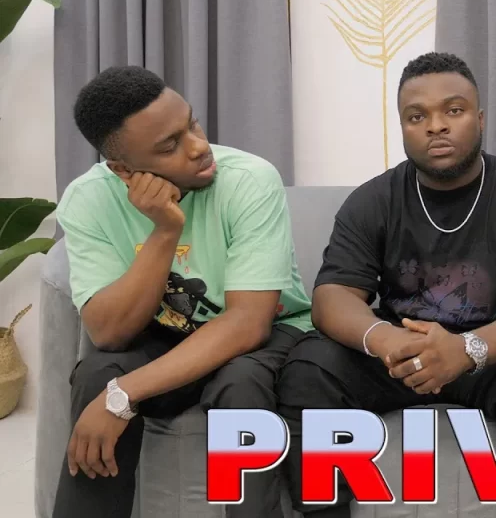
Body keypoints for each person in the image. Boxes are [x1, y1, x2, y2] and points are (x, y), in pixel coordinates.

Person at [276, 52, 496, 518]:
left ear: (479, 119)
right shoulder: (374, 199)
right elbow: (332, 297)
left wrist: (468, 349)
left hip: (493, 353)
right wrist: (386, 339)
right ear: (402, 127)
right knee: (309, 367)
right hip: (399, 355)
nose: (436, 126)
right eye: (417, 117)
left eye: (453, 111)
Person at [51, 65, 313, 518]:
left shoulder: (249, 179)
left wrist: (123, 394)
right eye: (169, 146)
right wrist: (164, 231)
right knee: (97, 374)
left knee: (240, 385)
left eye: (192, 124)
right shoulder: (87, 199)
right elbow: (108, 333)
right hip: (167, 336)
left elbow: (248, 323)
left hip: (270, 333)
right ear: (123, 170)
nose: (198, 147)